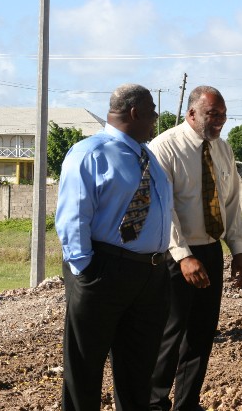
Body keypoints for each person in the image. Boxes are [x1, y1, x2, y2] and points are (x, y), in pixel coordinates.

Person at [56, 83, 172, 410]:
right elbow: (72, 216)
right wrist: (87, 271)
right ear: (134, 113)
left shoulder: (146, 155)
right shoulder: (90, 153)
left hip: (149, 276)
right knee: (85, 369)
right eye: (152, 111)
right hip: (105, 271)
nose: (156, 118)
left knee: (138, 372)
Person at [147, 85, 242, 411]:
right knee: (170, 333)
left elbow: (230, 201)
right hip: (174, 256)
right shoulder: (165, 147)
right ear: (191, 113)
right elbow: (164, 208)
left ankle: (187, 403)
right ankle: (155, 402)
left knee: (202, 334)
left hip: (210, 251)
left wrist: (238, 250)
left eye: (222, 115)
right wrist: (184, 256)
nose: (219, 121)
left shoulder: (223, 149)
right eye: (211, 114)